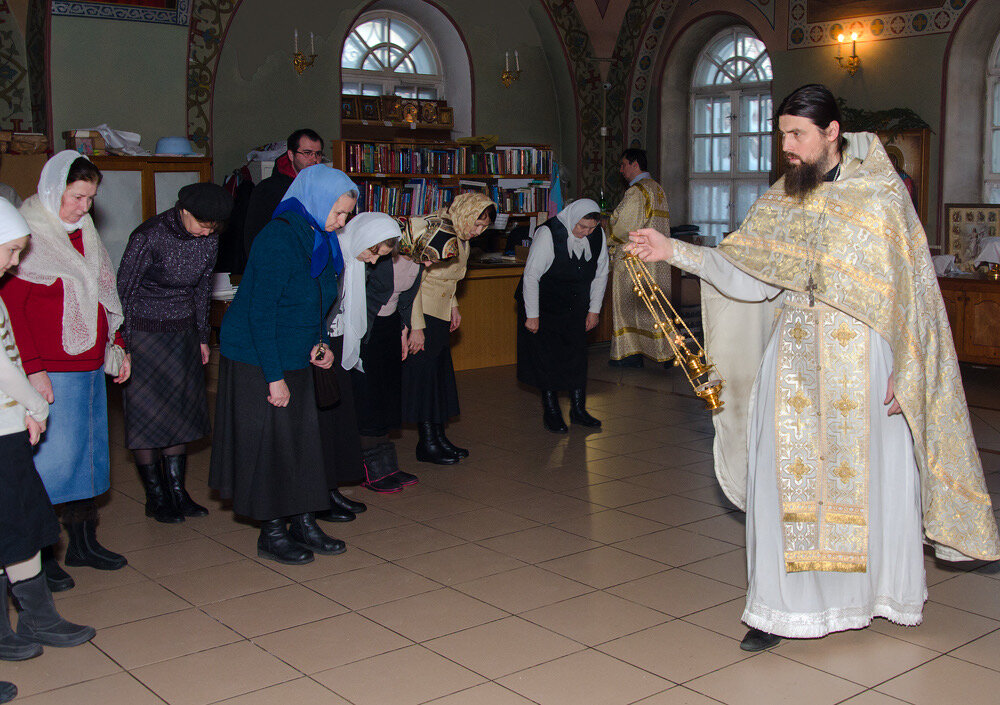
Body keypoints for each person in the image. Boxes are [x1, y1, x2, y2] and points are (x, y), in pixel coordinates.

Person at [626, 84, 1000, 651]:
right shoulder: (784, 198)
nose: (787, 148)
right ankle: (778, 611)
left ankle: (874, 596)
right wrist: (672, 251)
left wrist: (910, 369)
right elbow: (747, 272)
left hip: (869, 363)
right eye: (781, 136)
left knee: (872, 484)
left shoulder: (880, 196)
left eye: (797, 135)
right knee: (784, 484)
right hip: (796, 360)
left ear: (832, 133)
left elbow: (912, 295)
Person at [209, 165, 355, 566]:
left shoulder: (322, 238)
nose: (341, 222)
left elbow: (317, 301)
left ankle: (304, 522)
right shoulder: (278, 237)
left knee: (302, 442)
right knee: (271, 445)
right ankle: (272, 531)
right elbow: (261, 312)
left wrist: (321, 342)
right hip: (258, 354)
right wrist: (274, 379)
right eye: (338, 212)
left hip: (296, 347)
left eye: (346, 215)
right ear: (316, 200)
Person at [0, 151, 130, 593]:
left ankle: (83, 542)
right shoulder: (26, 236)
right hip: (51, 370)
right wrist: (33, 371)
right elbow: (13, 317)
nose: (83, 207)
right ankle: (41, 555)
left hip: (89, 363)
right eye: (77, 197)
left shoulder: (83, 232)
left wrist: (116, 345)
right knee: (53, 466)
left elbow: (101, 293)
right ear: (55, 189)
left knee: (89, 459)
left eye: (90, 198)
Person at [0, 199, 96, 676]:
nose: (16, 263)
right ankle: (21, 625)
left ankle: (37, 619)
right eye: (12, 251)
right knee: (12, 524)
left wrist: (22, 414)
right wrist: (35, 404)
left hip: (6, 425)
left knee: (18, 523)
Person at [116, 183, 234, 523]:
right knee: (147, 415)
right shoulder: (148, 235)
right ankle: (156, 497)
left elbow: (201, 291)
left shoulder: (208, 237)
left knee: (179, 413)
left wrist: (201, 338)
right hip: (143, 333)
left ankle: (178, 492)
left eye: (214, 228)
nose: (207, 233)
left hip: (181, 332)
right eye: (203, 224)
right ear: (183, 210)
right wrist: (121, 344)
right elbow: (123, 291)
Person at [402, 192, 496, 465]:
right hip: (423, 314)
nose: (478, 231)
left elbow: (449, 279)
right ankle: (427, 442)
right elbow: (415, 282)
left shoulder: (460, 235)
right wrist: (416, 327)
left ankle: (439, 437)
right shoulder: (437, 229)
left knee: (438, 379)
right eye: (476, 224)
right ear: (464, 212)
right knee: (425, 380)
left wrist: (454, 306)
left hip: (440, 313)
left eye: (483, 227)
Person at [328, 212, 413, 494]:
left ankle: (385, 464)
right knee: (363, 400)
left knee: (381, 397)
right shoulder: (337, 254)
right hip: (339, 338)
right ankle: (367, 468)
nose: (375, 261)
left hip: (367, 330)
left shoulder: (367, 257)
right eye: (374, 253)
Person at [516, 198, 608, 433]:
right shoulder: (549, 233)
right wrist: (532, 315)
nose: (585, 233)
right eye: (581, 227)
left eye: (591, 228)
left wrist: (594, 310)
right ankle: (552, 411)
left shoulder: (596, 235)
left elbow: (601, 274)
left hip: (575, 305)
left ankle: (578, 409)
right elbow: (531, 276)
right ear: (571, 219)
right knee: (548, 358)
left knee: (577, 356)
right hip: (544, 304)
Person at [608, 148, 673, 368]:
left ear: (635, 164)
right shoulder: (657, 188)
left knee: (629, 306)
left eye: (624, 164)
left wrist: (611, 221)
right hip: (658, 260)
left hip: (636, 261)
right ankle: (664, 351)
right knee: (656, 307)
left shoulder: (637, 191)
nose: (621, 170)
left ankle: (630, 353)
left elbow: (623, 226)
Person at [243, 128, 324, 256]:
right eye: (307, 153)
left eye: (318, 154)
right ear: (291, 155)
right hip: (278, 261)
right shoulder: (268, 189)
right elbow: (254, 236)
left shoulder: (324, 187)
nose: (314, 160)